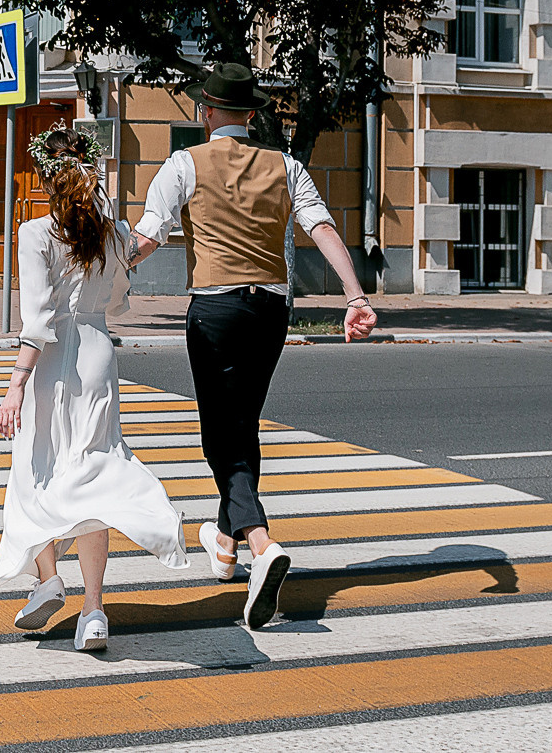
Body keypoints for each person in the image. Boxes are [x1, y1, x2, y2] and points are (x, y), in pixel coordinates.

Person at [130, 62, 379, 629]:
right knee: (241, 426)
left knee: (221, 435)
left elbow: (150, 234)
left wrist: (102, 271)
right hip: (270, 310)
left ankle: (261, 543)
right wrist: (355, 297)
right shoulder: (286, 165)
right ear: (250, 114)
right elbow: (321, 228)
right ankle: (225, 545)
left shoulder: (183, 163)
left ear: (206, 112)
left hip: (215, 310)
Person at [0, 126, 188, 652]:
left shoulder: (36, 233)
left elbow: (37, 321)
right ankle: (94, 611)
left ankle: (49, 579)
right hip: (97, 356)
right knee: (94, 474)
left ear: (46, 180)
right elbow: (132, 266)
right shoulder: (111, 234)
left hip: (52, 361)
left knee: (35, 469)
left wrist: (16, 384)